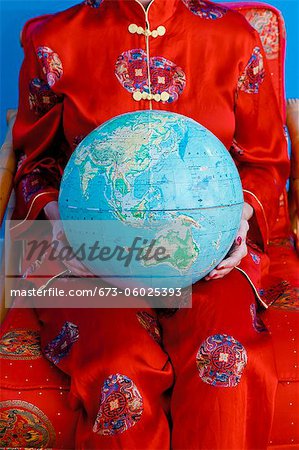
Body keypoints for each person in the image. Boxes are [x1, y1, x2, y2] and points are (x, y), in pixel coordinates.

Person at [9, 0, 290, 448]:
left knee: (224, 359)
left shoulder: (234, 38)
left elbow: (265, 161)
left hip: (206, 251)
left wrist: (241, 217)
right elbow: (34, 162)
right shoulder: (55, 41)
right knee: (118, 368)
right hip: (90, 256)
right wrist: (58, 224)